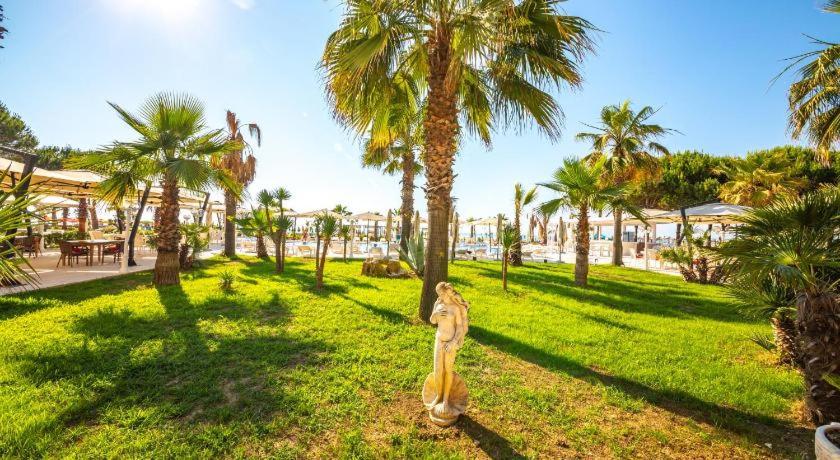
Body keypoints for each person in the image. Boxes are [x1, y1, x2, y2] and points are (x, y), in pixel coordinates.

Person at [427, 282, 469, 418]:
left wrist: (453, 342)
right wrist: (435, 312)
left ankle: (445, 399)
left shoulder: (455, 308)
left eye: (442, 294)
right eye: (439, 294)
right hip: (439, 341)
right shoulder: (438, 305)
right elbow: (432, 321)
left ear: (447, 293)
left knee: (448, 370)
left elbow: (460, 328)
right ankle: (438, 395)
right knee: (438, 370)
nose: (440, 296)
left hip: (450, 343)